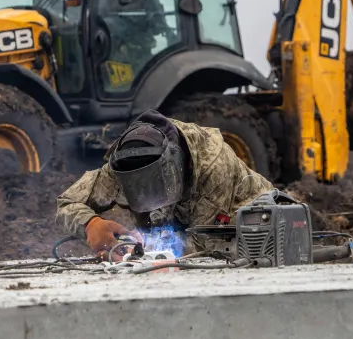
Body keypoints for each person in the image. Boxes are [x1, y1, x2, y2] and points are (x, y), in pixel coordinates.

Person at [55, 109, 274, 259]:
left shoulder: (213, 165)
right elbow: (67, 202)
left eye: (155, 186)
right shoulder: (125, 163)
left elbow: (205, 249)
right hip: (185, 229)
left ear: (174, 165)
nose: (150, 200)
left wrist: (137, 251)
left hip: (257, 234)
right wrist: (91, 224)